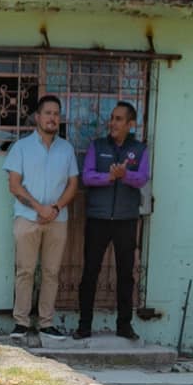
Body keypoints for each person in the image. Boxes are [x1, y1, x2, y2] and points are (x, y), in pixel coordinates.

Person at [3, 93, 79, 343]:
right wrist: (39, 207)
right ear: (37, 117)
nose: (52, 118)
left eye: (56, 114)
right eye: (48, 113)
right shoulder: (21, 147)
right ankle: (21, 323)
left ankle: (46, 324)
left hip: (57, 220)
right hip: (27, 218)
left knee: (51, 272)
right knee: (24, 271)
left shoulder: (66, 149)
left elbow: (72, 185)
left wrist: (55, 208)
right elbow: (14, 185)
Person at [73, 101, 151, 340]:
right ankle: (84, 325)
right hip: (98, 217)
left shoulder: (139, 149)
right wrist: (109, 176)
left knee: (126, 274)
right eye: (112, 118)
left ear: (130, 124)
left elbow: (142, 178)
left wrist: (124, 175)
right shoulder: (97, 146)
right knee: (90, 272)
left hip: (126, 219)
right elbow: (87, 176)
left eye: (119, 119)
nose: (113, 123)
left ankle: (124, 326)